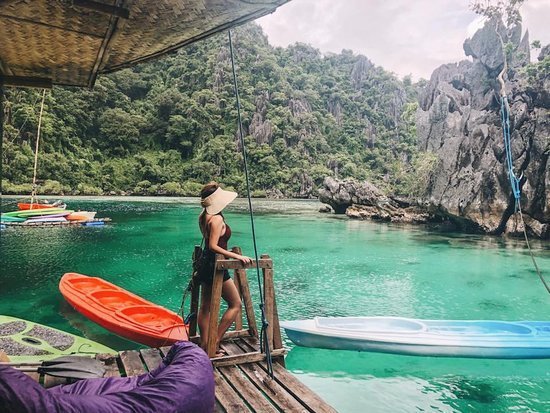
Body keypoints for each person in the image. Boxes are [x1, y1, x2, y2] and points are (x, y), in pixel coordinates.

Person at [197, 182, 252, 357]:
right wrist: (236, 256)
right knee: (235, 304)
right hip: (216, 266)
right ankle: (214, 343)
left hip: (205, 264)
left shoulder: (203, 216)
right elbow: (213, 245)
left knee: (205, 307)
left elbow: (207, 244)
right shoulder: (217, 219)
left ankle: (206, 345)